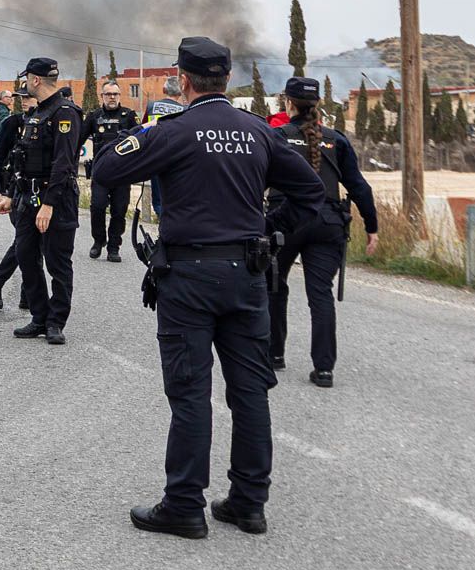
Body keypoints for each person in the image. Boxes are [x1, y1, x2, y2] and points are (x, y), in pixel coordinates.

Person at [93, 37, 324, 539]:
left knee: (191, 391)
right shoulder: (259, 132)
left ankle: (184, 505)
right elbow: (312, 191)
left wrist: (151, 126)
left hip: (189, 279)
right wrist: (274, 230)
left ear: (183, 79)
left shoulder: (174, 130)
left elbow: (107, 168)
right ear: (225, 78)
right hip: (247, 276)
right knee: (250, 391)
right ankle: (248, 502)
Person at [268, 76, 379, 388]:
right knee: (320, 294)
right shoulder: (337, 140)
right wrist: (373, 227)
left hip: (284, 219)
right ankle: (324, 369)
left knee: (274, 285)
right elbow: (359, 186)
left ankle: (274, 354)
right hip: (327, 222)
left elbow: (254, 181)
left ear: (287, 103)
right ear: (317, 105)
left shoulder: (276, 136)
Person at [0, 58, 84, 346]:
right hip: (27, 197)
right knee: (26, 256)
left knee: (58, 263)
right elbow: (21, 157)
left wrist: (48, 204)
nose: (23, 84)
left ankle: (56, 322)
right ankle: (39, 316)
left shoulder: (65, 112)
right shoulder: (37, 113)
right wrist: (10, 193)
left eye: (26, 79)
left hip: (56, 199)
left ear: (34, 80)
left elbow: (64, 163)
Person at [0, 85, 32, 311]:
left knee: (31, 242)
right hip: (13, 190)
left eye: (28, 97)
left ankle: (25, 292)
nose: (24, 101)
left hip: (35, 190)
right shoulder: (13, 123)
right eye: (21, 98)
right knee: (24, 240)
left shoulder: (47, 122)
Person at [81, 81, 140, 262]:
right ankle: (98, 241)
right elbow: (78, 140)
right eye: (108, 94)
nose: (112, 97)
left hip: (122, 172)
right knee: (97, 207)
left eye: (115, 94)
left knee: (119, 211)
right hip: (101, 172)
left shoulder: (129, 116)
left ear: (119, 96)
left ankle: (114, 247)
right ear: (102, 96)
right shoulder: (93, 116)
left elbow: (142, 141)